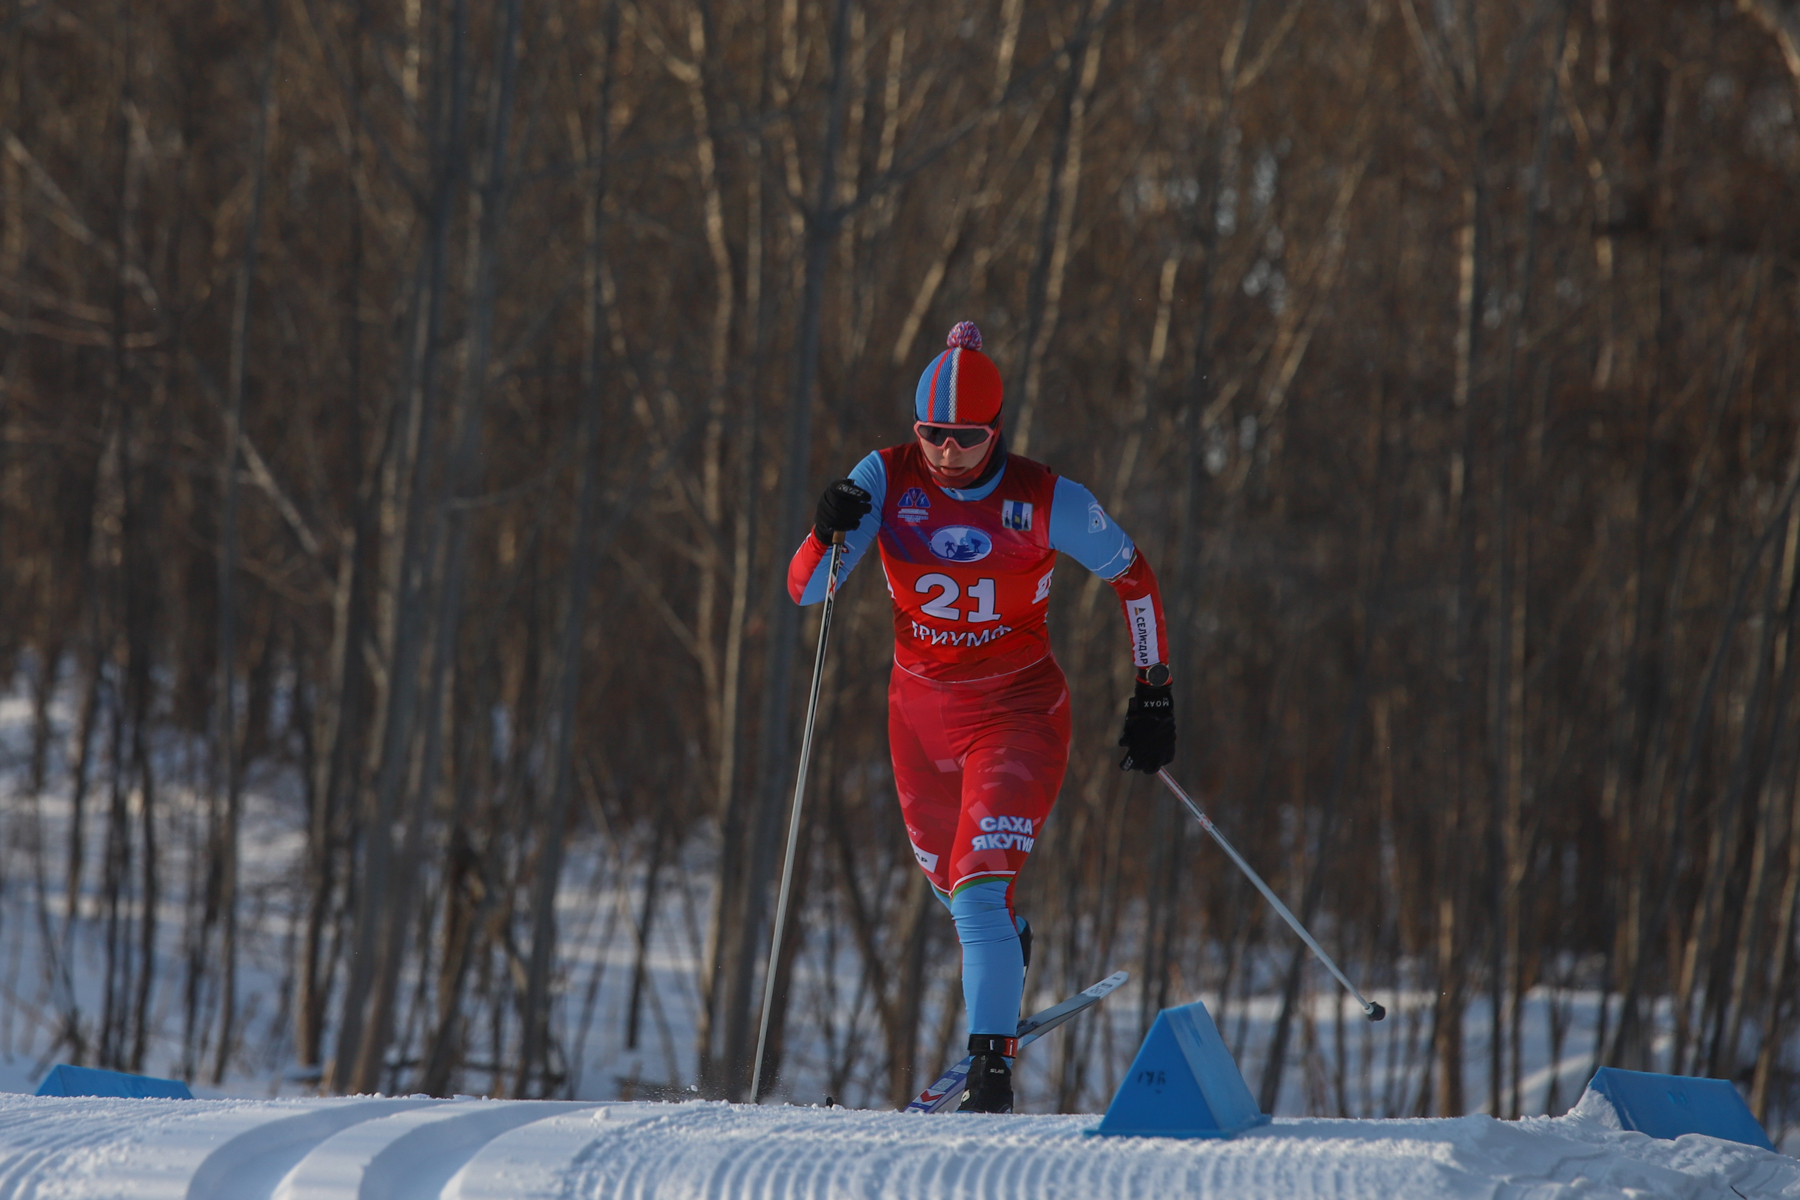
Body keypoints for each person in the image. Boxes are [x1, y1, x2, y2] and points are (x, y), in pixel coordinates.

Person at [787, 321, 1176, 1113]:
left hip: (1017, 712)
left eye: (966, 437)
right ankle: (1008, 944)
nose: (946, 451)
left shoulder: (1046, 499)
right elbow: (807, 590)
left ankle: (991, 1075)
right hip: (918, 720)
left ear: (996, 430)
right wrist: (824, 530)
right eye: (931, 433)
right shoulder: (887, 479)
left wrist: (1153, 689)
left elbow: (1134, 579)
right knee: (953, 891)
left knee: (975, 894)